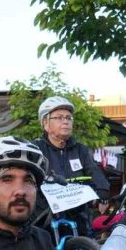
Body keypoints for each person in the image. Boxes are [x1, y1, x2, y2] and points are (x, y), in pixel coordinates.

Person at [33, 96, 110, 236]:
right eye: (59, 117)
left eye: (69, 118)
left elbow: (93, 171)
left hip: (78, 214)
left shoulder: (80, 149)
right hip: (47, 216)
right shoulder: (36, 149)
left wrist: (103, 190)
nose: (65, 122)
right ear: (45, 122)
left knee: (85, 249)